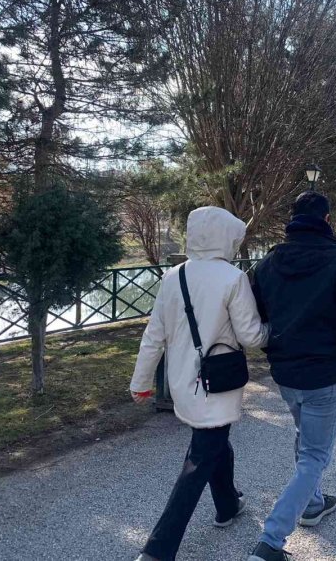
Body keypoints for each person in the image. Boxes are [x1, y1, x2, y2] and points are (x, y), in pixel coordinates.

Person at [130, 207, 267, 561]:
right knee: (200, 458)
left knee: (214, 440)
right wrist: (273, 331)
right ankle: (158, 550)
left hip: (183, 380)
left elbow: (154, 334)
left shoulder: (173, 276)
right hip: (216, 381)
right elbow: (250, 336)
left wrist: (141, 381)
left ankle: (227, 505)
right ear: (225, 236)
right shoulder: (233, 278)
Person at [249, 191, 336, 561]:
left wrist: (274, 352)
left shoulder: (267, 264)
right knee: (315, 455)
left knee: (305, 436)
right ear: (327, 220)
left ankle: (314, 502)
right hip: (327, 373)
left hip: (287, 372)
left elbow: (258, 317)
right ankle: (270, 542)